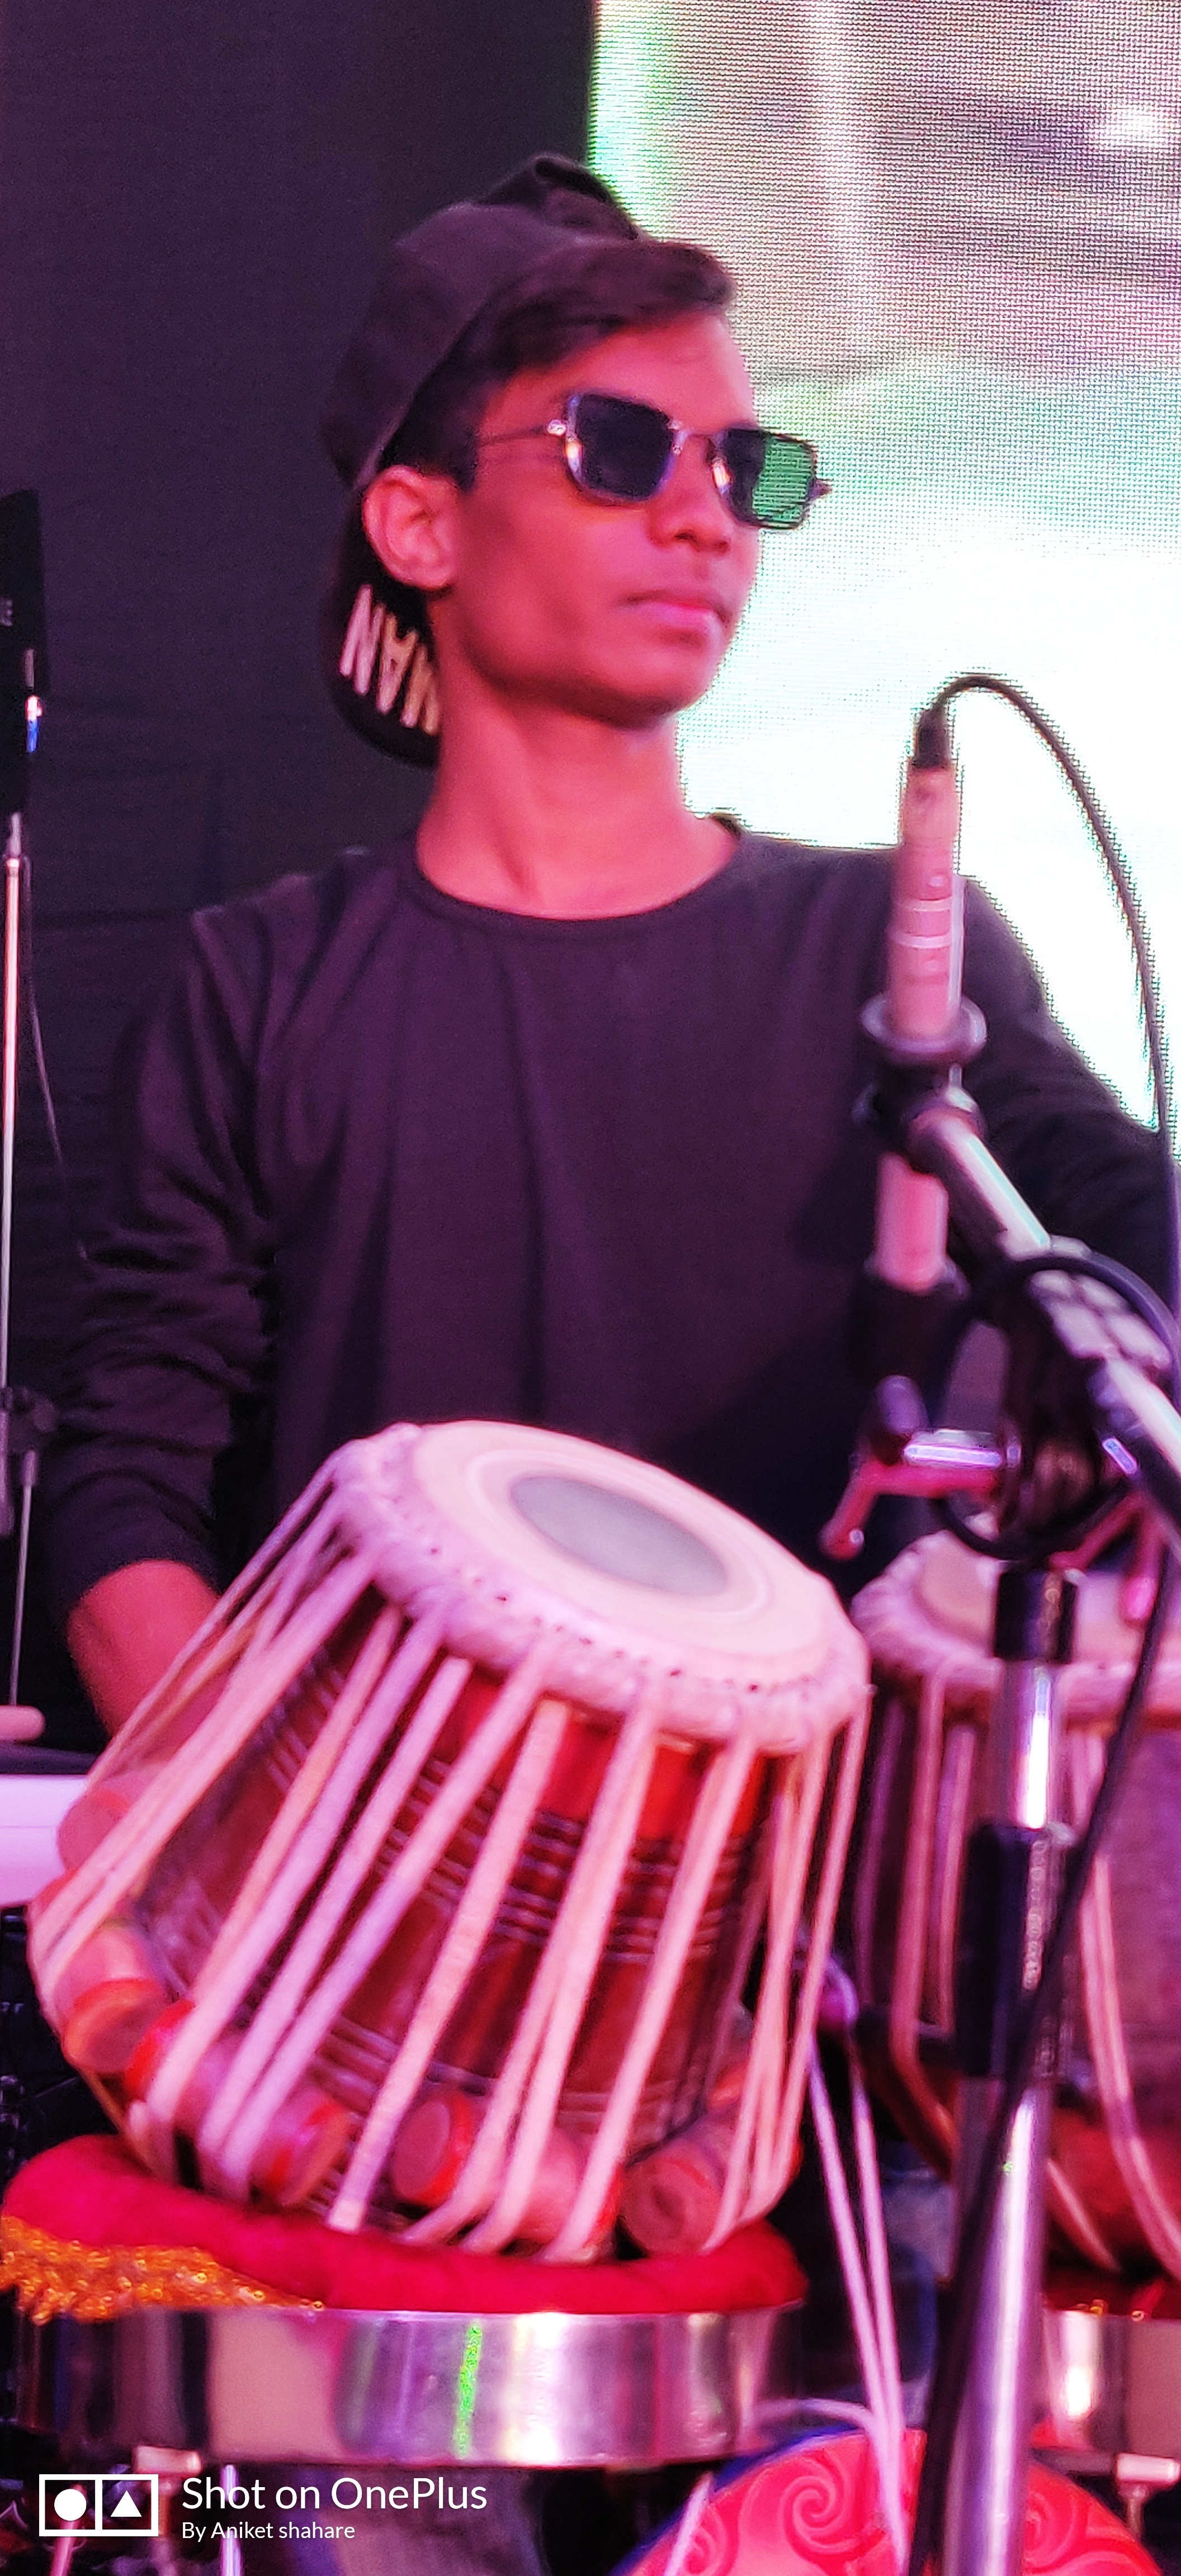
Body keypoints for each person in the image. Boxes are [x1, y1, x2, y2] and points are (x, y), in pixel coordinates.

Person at [33, 150, 1170, 2576]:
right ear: (420, 525)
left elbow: (1136, 1276)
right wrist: (322, 1885)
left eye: (752, 467)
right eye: (623, 448)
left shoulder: (896, 965)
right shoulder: (264, 990)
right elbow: (125, 1494)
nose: (706, 519)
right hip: (381, 2074)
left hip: (818, 2075)